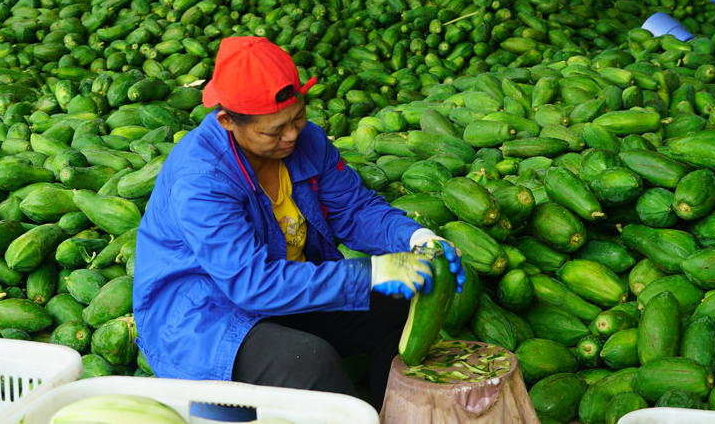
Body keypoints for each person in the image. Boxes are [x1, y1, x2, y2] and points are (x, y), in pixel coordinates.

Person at [133, 36, 466, 412]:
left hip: (286, 290)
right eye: (273, 130)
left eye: (297, 118)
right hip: (205, 315)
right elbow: (251, 285)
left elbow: (354, 209)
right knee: (309, 360)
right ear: (227, 121)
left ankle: (394, 414)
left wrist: (415, 237)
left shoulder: (307, 142)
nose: (291, 136)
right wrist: (369, 273)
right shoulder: (201, 180)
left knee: (400, 305)